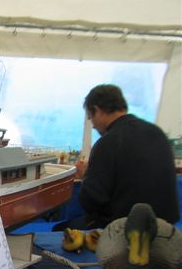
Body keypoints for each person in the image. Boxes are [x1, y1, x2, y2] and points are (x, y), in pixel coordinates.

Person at [56, 84, 179, 230]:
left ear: (98, 110)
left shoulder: (108, 142)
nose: (93, 125)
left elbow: (91, 201)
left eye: (91, 117)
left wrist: (86, 177)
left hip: (125, 229)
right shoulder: (157, 133)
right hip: (166, 227)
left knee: (60, 229)